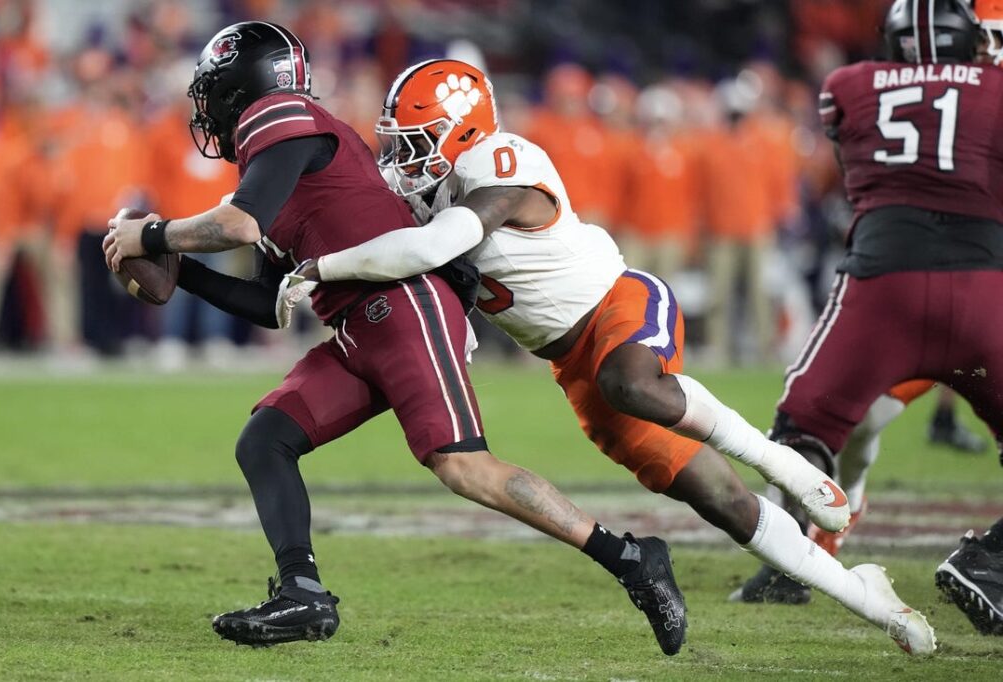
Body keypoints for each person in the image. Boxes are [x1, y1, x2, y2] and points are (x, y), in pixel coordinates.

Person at [280, 58, 937, 655]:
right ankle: (866, 596)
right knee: (721, 502)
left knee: (634, 383)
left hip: (618, 304)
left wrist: (323, 267)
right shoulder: (430, 196)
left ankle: (782, 461)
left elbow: (434, 249)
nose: (402, 158)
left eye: (414, 142)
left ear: (461, 130)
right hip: (574, 370)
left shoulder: (500, 160)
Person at [102, 22, 686, 653]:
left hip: (405, 304)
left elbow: (238, 226)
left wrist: (153, 236)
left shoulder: (283, 113)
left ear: (248, 85)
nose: (207, 106)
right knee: (264, 439)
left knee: (464, 467)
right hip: (357, 325)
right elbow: (272, 303)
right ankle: (302, 593)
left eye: (214, 90)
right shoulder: (273, 162)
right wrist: (182, 271)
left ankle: (630, 558)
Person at [730, 0, 1003, 636]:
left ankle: (787, 563)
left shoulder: (848, 86)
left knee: (804, 430)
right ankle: (988, 561)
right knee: (853, 429)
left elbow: (855, 154)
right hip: (982, 285)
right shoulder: (994, 87)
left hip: (883, 285)